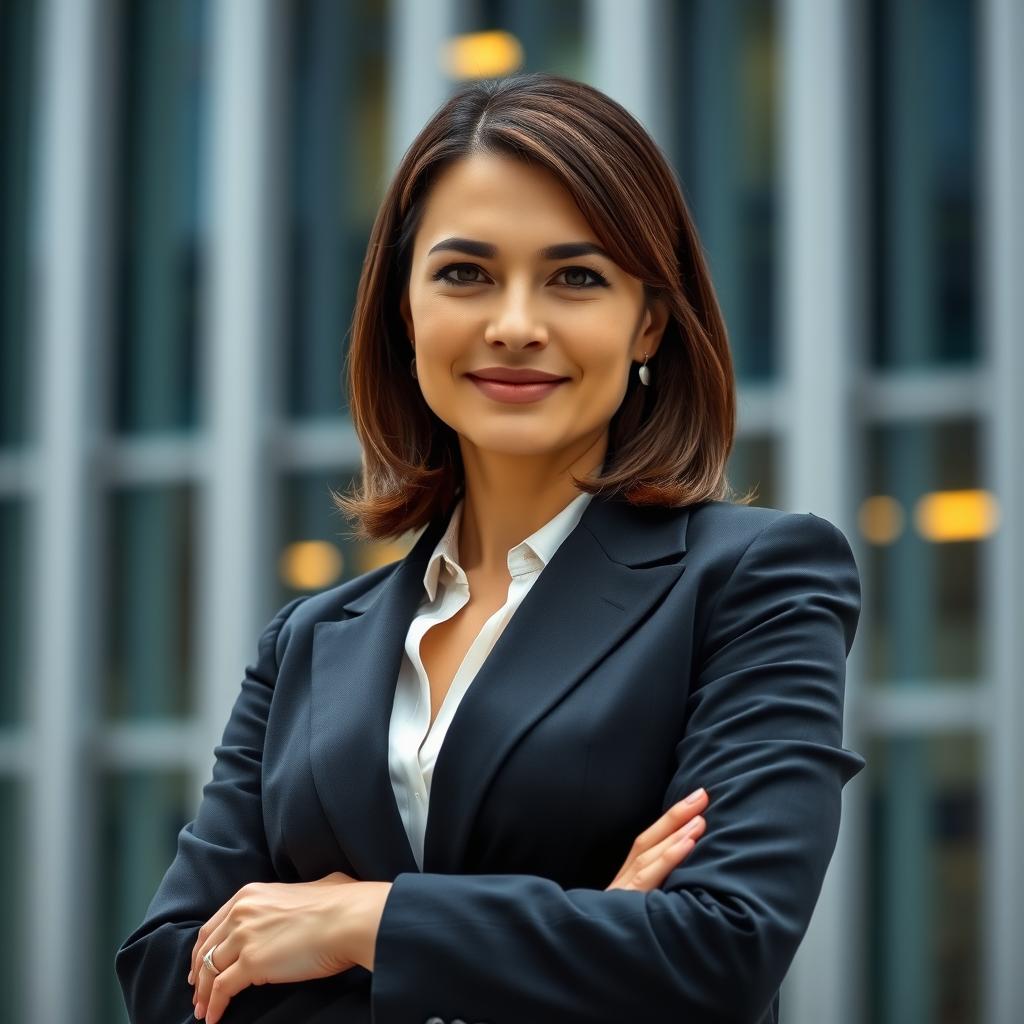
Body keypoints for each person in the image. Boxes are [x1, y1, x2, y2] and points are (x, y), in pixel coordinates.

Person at [115, 71, 865, 1024]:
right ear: (405, 309)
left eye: (575, 277)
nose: (515, 325)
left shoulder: (754, 581)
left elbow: (716, 948)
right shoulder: (308, 641)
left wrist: (362, 919)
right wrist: (586, 938)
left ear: (649, 322)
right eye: (465, 274)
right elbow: (167, 980)